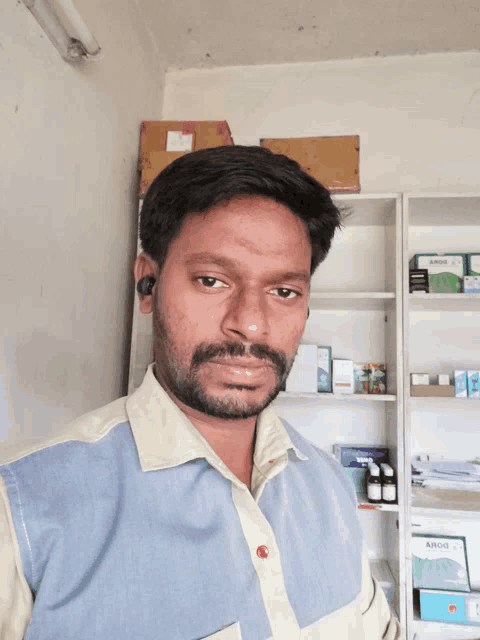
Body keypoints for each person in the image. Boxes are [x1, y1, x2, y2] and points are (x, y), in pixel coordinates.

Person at [0, 146, 403, 639]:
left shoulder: (328, 484)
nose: (251, 323)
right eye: (212, 281)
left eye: (284, 292)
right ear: (147, 284)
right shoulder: (22, 509)